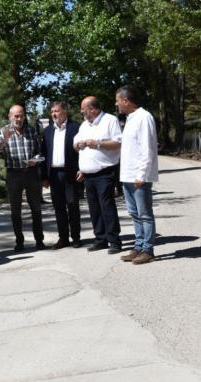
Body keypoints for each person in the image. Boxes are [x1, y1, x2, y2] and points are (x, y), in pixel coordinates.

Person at [0, 104, 45, 252]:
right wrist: (3, 141)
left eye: (21, 115)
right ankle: (19, 241)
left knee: (36, 209)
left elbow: (40, 152)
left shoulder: (32, 131)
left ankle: (39, 240)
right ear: (10, 117)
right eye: (16, 116)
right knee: (16, 211)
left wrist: (36, 159)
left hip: (31, 173)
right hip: (13, 174)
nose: (19, 118)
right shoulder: (3, 131)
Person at [115, 85, 159, 265]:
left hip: (138, 176)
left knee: (145, 214)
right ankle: (139, 246)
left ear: (126, 100)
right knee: (134, 213)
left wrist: (142, 175)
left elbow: (147, 149)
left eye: (118, 100)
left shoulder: (144, 117)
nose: (116, 104)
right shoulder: (130, 119)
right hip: (127, 175)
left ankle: (148, 249)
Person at [73, 96, 122, 254]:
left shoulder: (110, 120)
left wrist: (98, 144)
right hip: (88, 174)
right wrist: (78, 145)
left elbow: (118, 143)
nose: (82, 113)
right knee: (94, 208)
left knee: (106, 206)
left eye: (83, 110)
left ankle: (114, 241)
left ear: (92, 109)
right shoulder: (84, 125)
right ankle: (100, 239)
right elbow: (75, 145)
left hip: (105, 172)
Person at [41, 101, 83, 249]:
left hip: (70, 173)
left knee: (72, 205)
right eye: (52, 111)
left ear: (65, 111)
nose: (53, 114)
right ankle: (63, 238)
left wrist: (82, 169)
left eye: (56, 111)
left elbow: (82, 152)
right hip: (54, 174)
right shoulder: (47, 132)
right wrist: (44, 177)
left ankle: (76, 237)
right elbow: (44, 154)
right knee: (58, 207)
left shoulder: (76, 128)